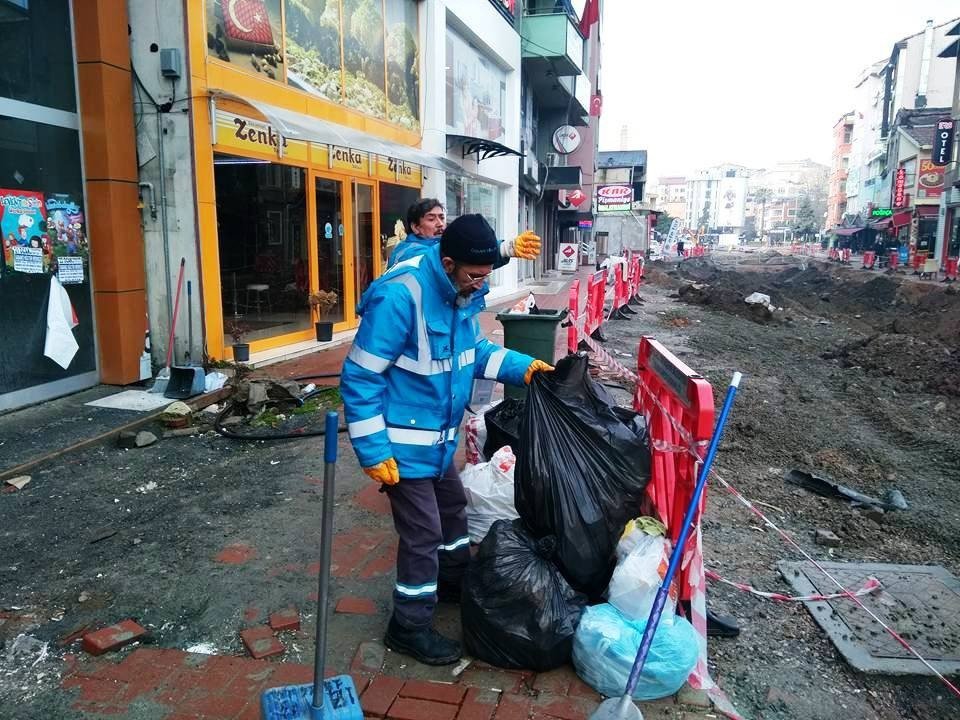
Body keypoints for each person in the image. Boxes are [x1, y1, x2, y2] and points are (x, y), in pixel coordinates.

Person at [340, 214, 553, 666]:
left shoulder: (459, 294)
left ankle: (452, 580)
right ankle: (409, 625)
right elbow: (360, 377)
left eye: (485, 277)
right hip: (400, 449)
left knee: (454, 510)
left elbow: (473, 353)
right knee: (423, 534)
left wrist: (523, 366)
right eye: (475, 277)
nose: (481, 287)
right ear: (449, 261)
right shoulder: (401, 298)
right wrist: (374, 451)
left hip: (438, 443)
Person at [388, 198, 542, 270]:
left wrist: (503, 249)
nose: (440, 224)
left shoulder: (441, 245)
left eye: (441, 217)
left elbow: (467, 261)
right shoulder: (407, 251)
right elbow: (440, 261)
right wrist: (499, 249)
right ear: (415, 227)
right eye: (431, 219)